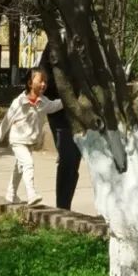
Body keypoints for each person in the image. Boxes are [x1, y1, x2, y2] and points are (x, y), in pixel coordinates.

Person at [0, 66, 62, 207]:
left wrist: (67, 101)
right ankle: (31, 193)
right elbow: (7, 119)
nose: (43, 84)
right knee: (28, 164)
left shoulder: (44, 102)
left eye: (45, 82)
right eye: (40, 81)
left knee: (20, 167)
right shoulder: (19, 102)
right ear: (30, 83)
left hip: (30, 141)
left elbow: (54, 106)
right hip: (17, 140)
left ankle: (11, 193)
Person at [37, 42, 83, 211]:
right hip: (59, 110)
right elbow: (43, 71)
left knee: (73, 161)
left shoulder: (88, 39)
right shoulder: (55, 40)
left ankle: (65, 206)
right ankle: (62, 209)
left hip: (82, 109)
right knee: (68, 157)